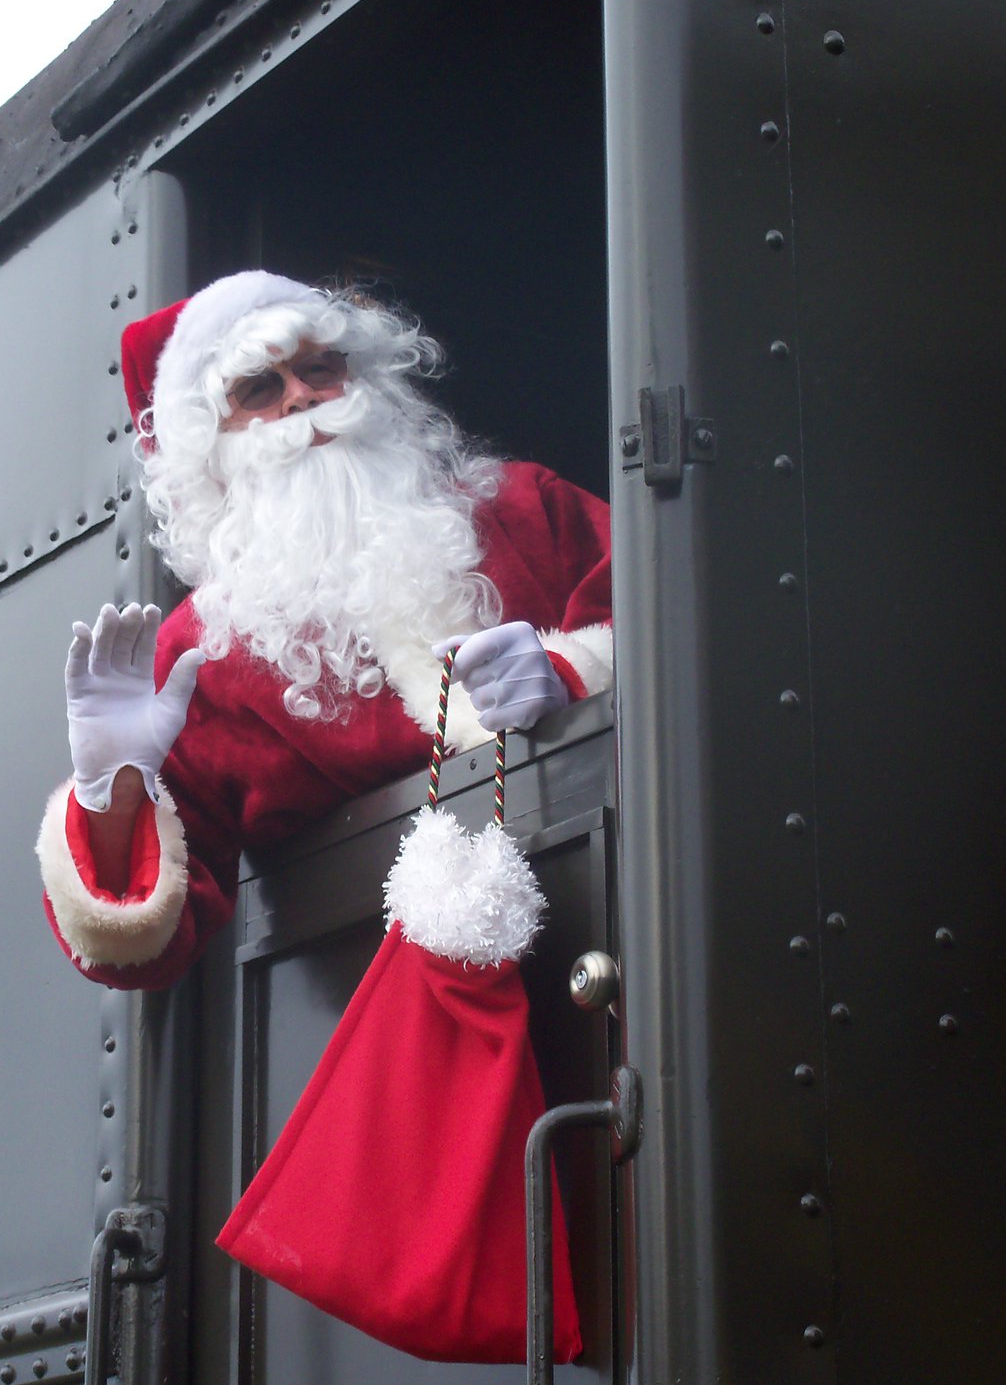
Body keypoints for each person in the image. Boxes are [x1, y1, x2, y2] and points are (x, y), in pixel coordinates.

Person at [35, 270, 612, 990]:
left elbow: (680, 622)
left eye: (319, 369)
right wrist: (114, 791)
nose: (302, 397)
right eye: (258, 390)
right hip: (406, 1014)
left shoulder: (524, 505)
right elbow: (144, 951)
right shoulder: (199, 655)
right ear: (210, 446)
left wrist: (578, 674)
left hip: (622, 922)